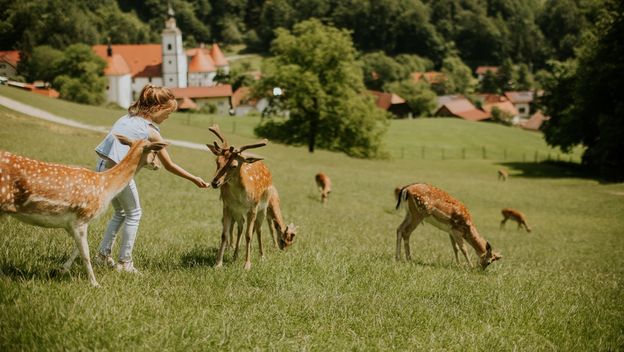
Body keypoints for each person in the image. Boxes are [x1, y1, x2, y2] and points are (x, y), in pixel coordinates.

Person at [94, 84, 208, 274]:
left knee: (121, 212)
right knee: (134, 213)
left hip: (102, 167)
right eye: (168, 113)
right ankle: (125, 262)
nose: (167, 117)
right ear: (157, 108)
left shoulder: (126, 118)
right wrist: (194, 178)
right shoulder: (151, 132)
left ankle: (102, 256)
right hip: (118, 175)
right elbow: (170, 165)